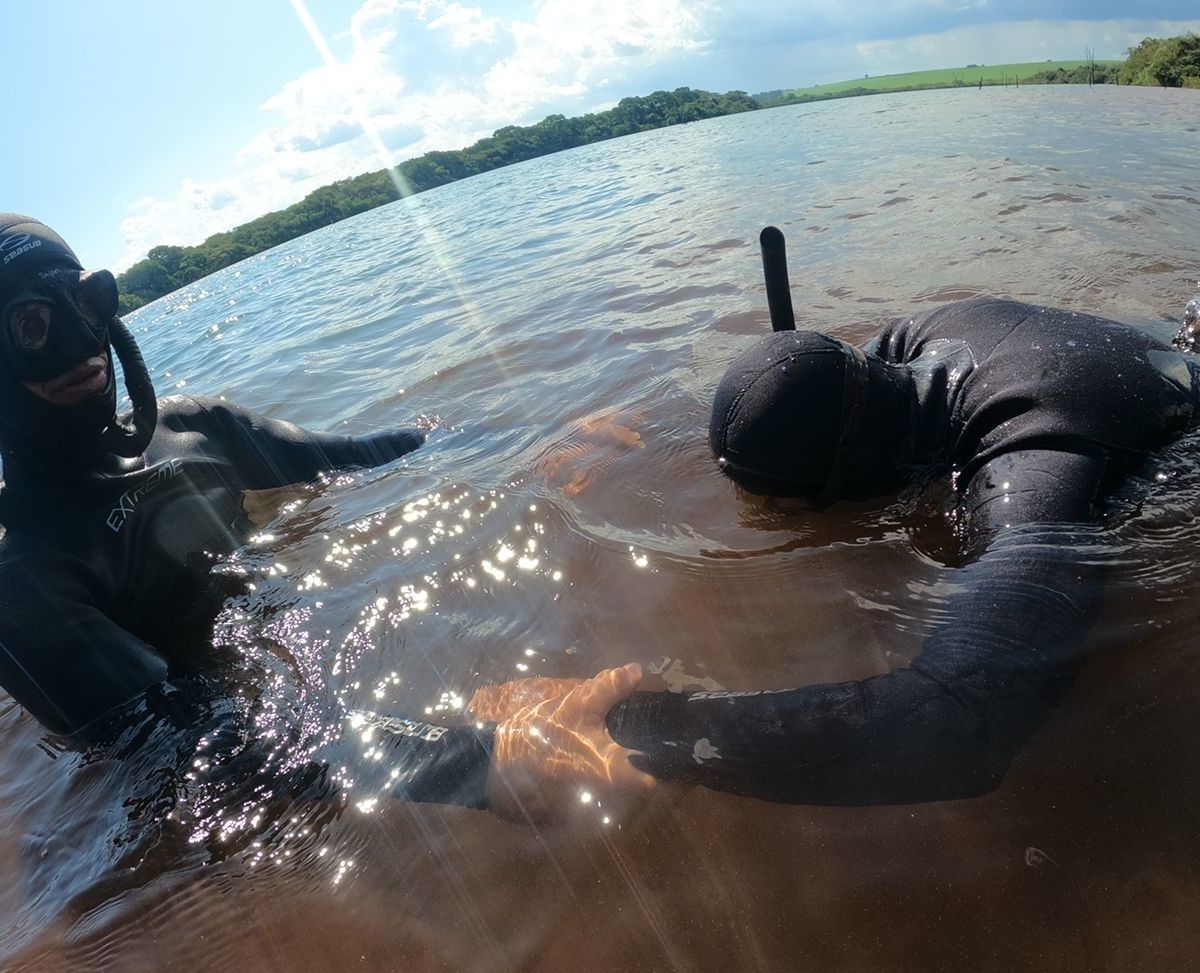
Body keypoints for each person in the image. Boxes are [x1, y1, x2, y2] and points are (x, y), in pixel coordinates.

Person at [478, 246, 1200, 806]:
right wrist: (622, 429)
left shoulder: (1032, 465)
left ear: (840, 491)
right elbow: (796, 378)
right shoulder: (916, 343)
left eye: (778, 512)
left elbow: (965, 723)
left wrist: (638, 731)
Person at [0, 214, 648, 821]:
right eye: (31, 324)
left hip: (303, 648)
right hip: (238, 737)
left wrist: (536, 438)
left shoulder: (197, 429)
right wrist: (482, 764)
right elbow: (190, 744)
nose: (76, 341)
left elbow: (366, 453)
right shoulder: (22, 581)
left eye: (84, 302)